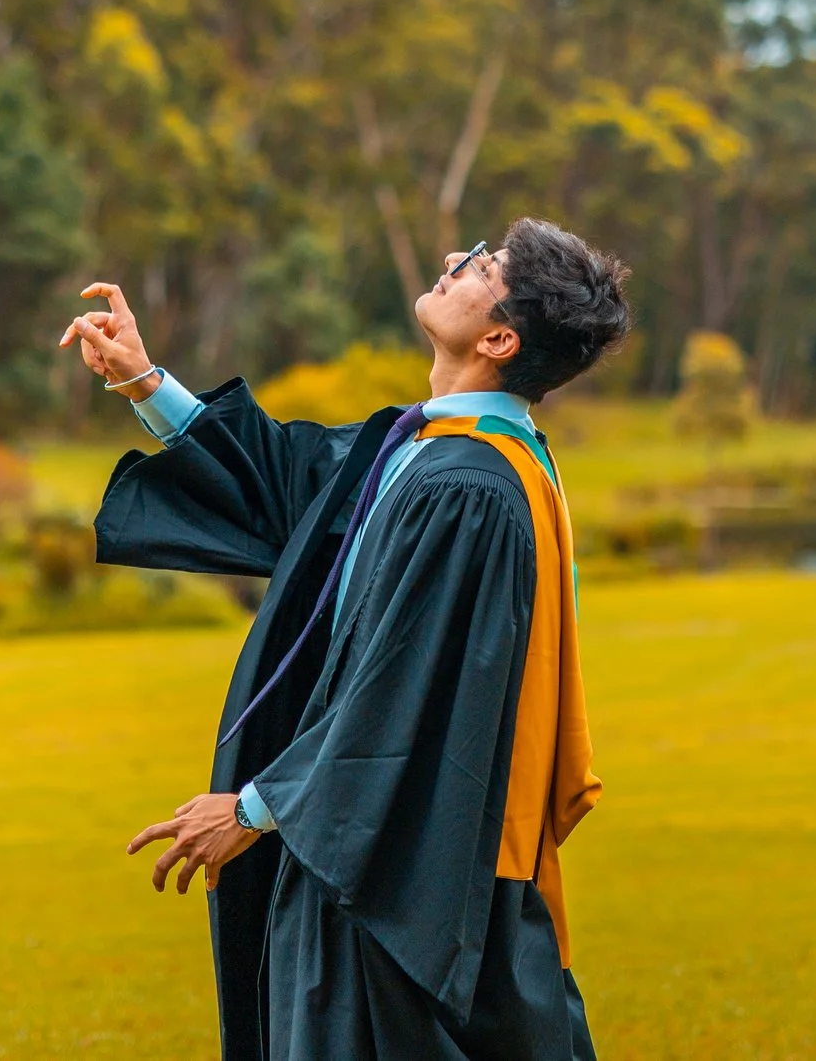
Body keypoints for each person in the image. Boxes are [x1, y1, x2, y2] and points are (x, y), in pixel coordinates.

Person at [58, 218, 632, 1061]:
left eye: (481, 265)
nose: (453, 260)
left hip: (391, 887)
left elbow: (409, 693)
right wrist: (145, 380)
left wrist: (259, 806)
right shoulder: (434, 448)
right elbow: (300, 491)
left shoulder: (470, 487)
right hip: (374, 867)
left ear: (501, 336)